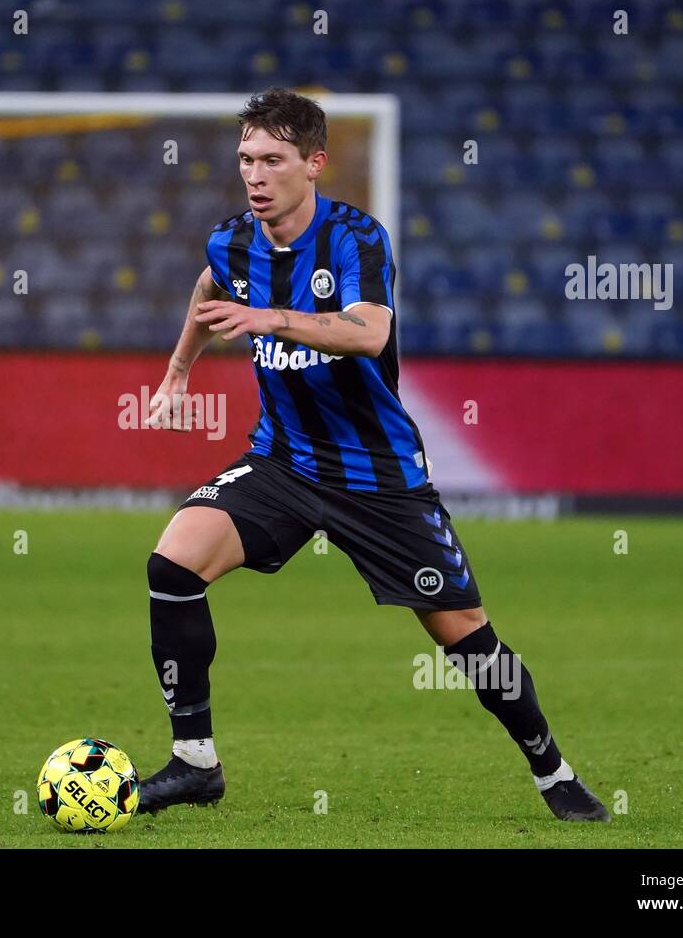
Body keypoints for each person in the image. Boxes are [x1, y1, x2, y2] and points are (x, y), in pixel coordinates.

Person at [139, 87, 608, 822]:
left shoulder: (356, 239)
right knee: (171, 565)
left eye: (272, 160)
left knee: (464, 635)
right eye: (245, 161)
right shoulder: (230, 242)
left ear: (314, 164)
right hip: (284, 463)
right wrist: (176, 372)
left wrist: (270, 318)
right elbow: (208, 289)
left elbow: (367, 334)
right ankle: (195, 761)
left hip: (377, 476)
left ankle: (553, 771)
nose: (255, 176)